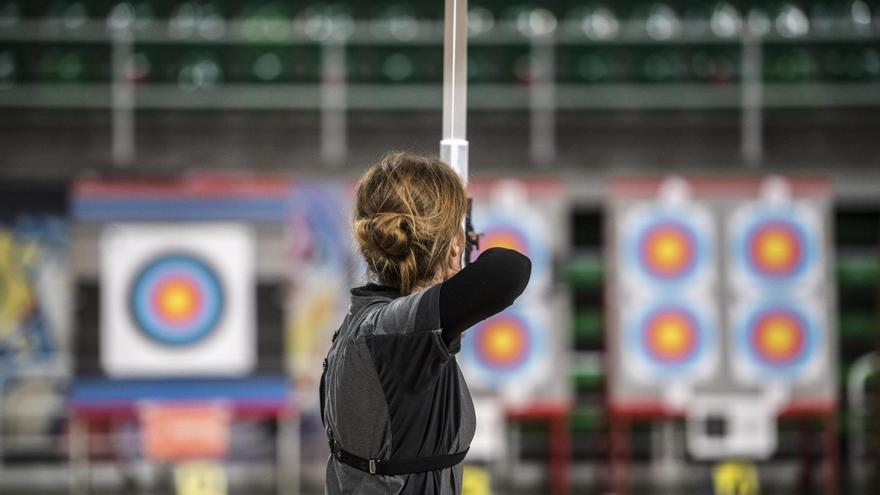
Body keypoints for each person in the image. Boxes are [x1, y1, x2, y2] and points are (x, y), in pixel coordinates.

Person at [320, 151, 531, 494]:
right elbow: (509, 270)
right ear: (450, 249)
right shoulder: (391, 331)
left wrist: (452, 252)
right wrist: (454, 262)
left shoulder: (369, 323)